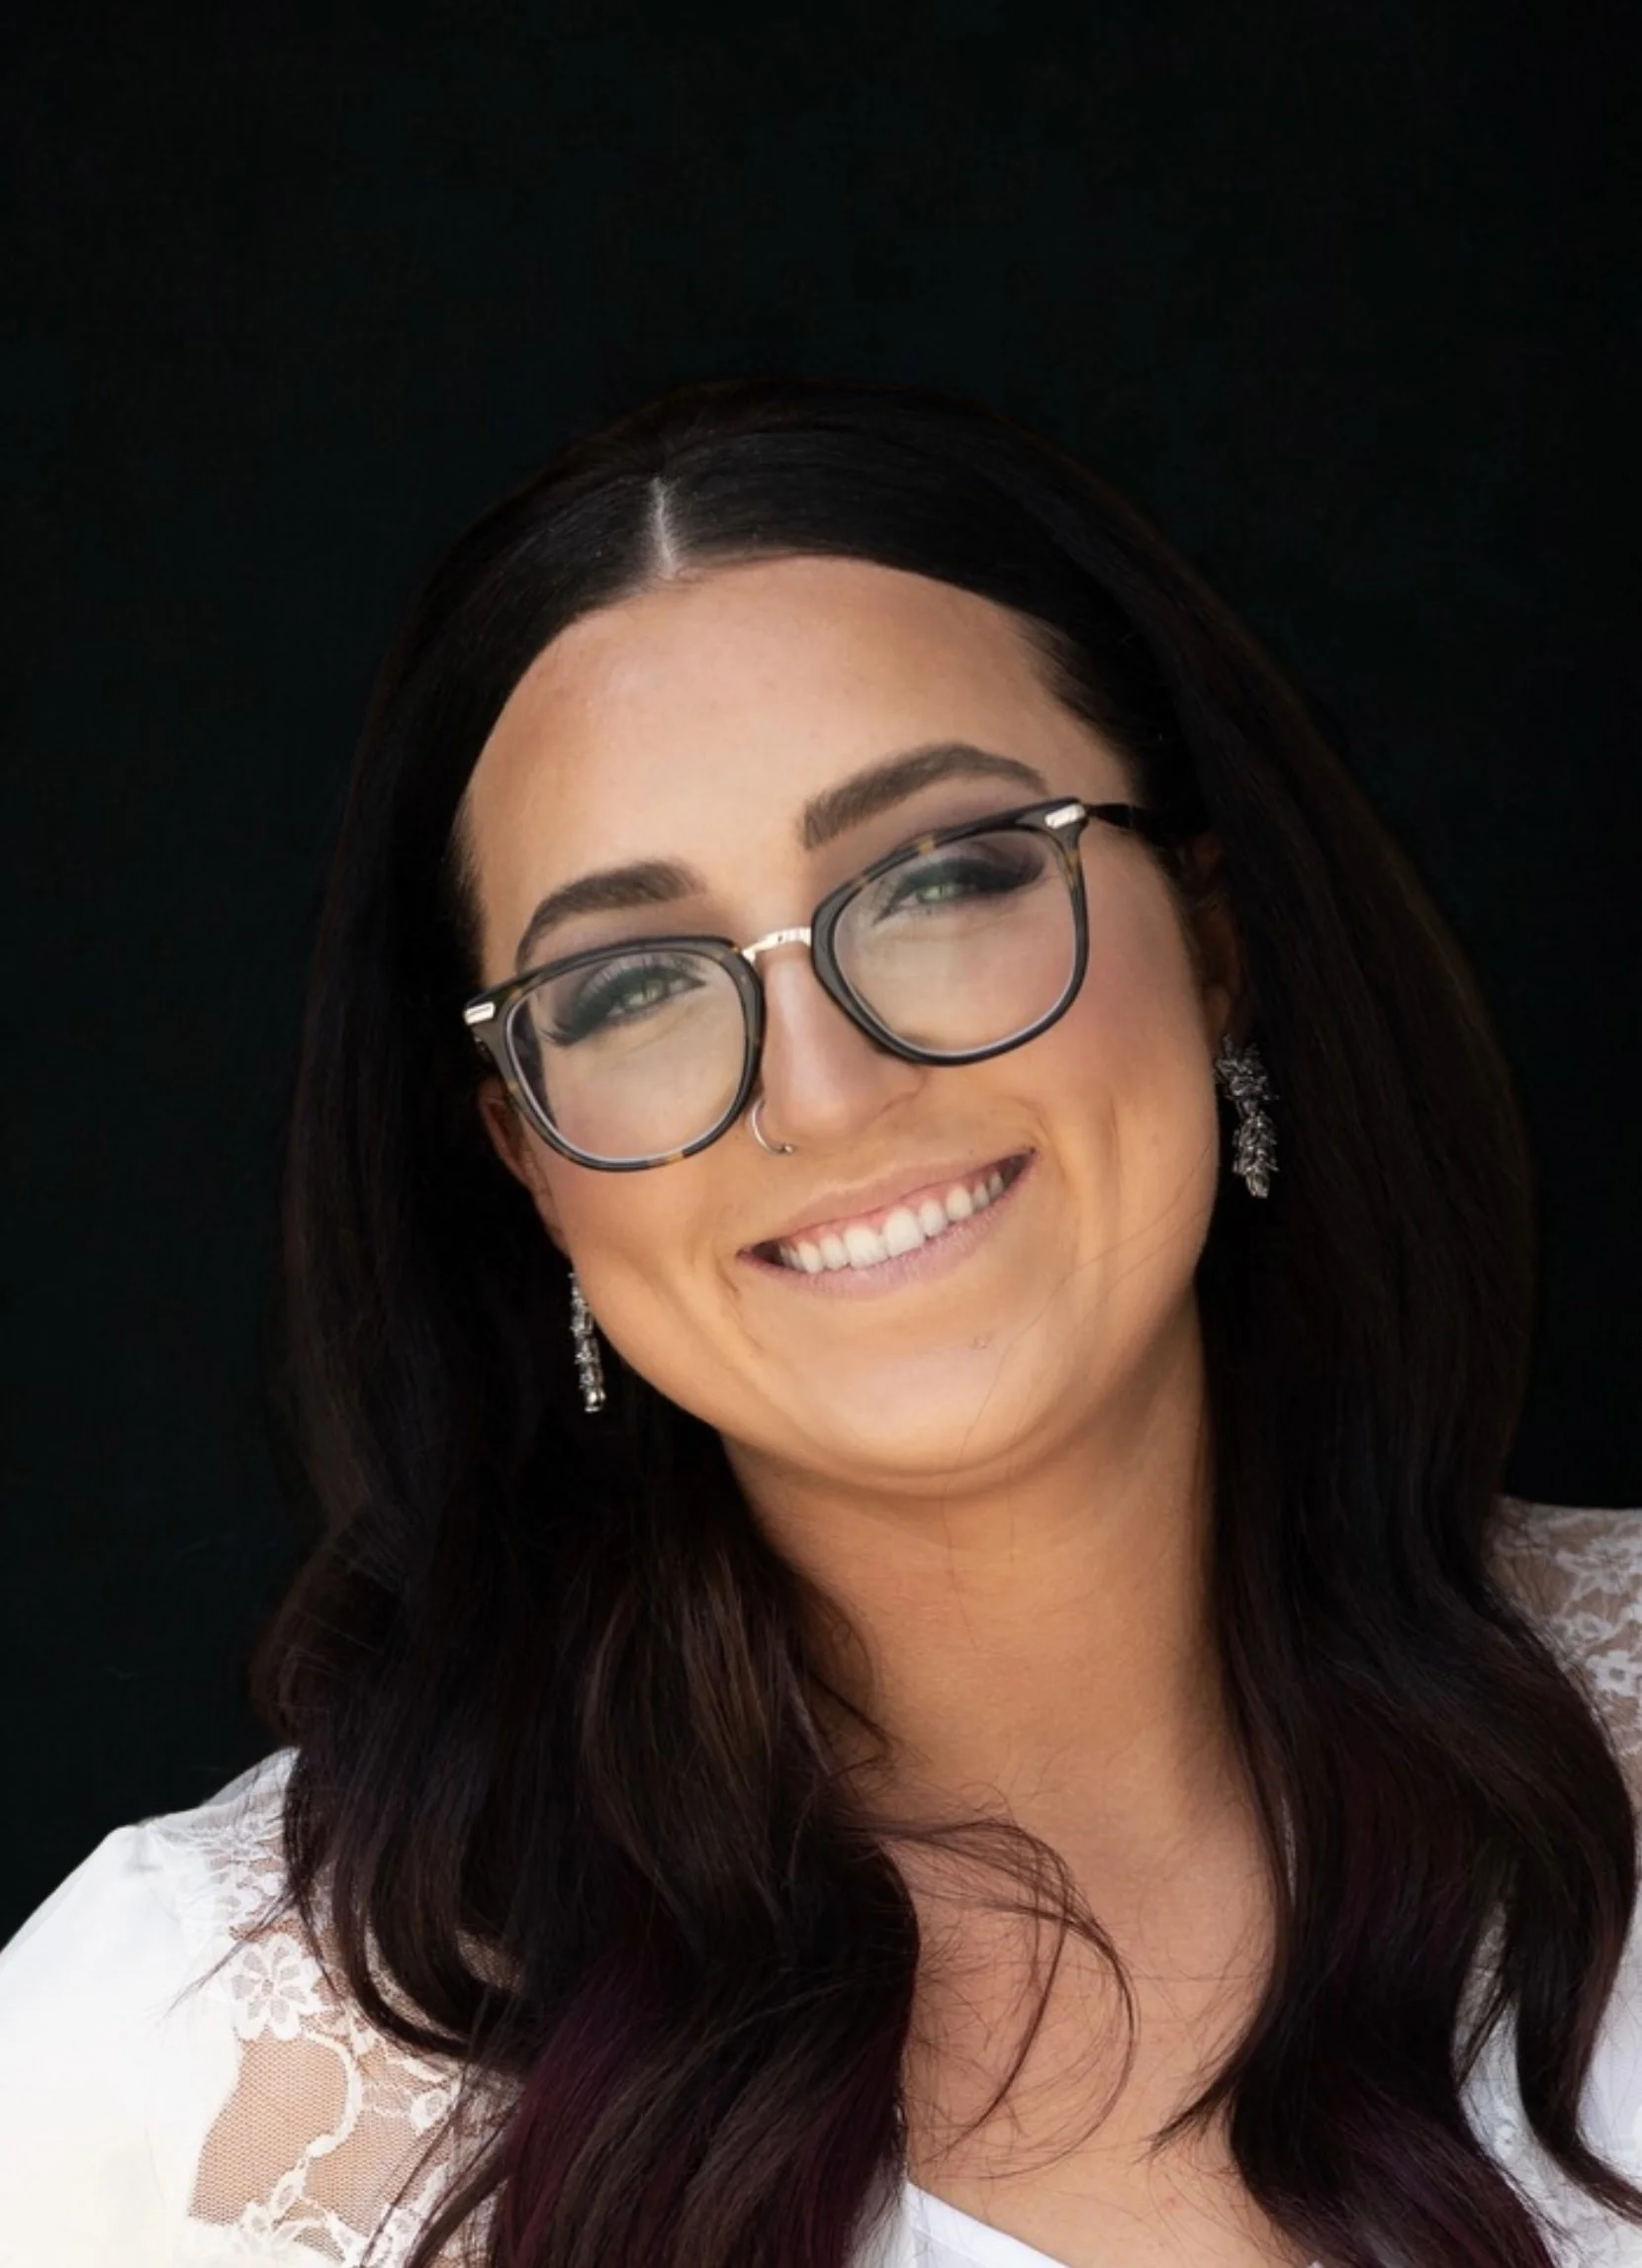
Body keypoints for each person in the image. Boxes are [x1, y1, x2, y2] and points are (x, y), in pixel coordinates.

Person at [0, 377, 1638, 2268]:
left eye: (939, 878)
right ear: (526, 1155)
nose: (829, 1088)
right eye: (630, 987)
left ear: (1212, 941)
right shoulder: (176, 2088)